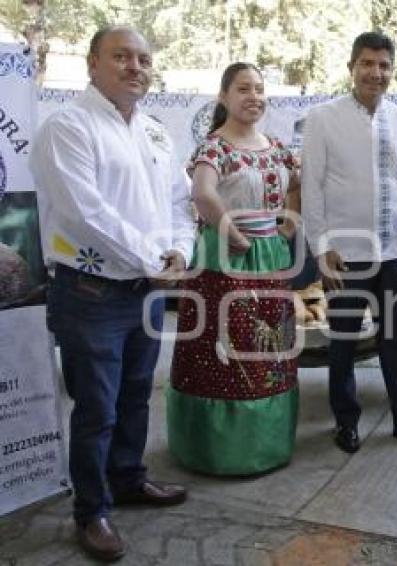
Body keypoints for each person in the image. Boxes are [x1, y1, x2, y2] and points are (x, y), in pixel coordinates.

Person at [30, 26, 194, 562]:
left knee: (135, 395)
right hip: (90, 292)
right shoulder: (67, 127)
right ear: (92, 63)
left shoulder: (157, 132)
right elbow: (86, 212)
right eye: (121, 56)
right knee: (96, 408)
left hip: (146, 290)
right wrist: (155, 257)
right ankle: (92, 510)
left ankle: (127, 478)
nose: (135, 67)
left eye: (144, 59)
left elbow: (180, 203)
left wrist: (179, 253)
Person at [301, 31, 397, 454]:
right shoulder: (322, 117)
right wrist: (320, 246)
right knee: (343, 342)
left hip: (395, 251)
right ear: (352, 68)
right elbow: (311, 188)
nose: (376, 72)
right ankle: (345, 422)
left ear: (392, 71)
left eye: (384, 65)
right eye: (367, 63)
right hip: (344, 254)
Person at [168, 62, 300, 475]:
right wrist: (231, 232)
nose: (254, 97)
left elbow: (296, 185)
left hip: (271, 258)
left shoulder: (277, 147)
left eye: (260, 89)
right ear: (224, 96)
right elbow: (202, 193)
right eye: (243, 88)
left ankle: (268, 442)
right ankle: (218, 449)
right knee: (223, 349)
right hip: (224, 258)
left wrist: (289, 223)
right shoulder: (214, 147)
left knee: (269, 349)